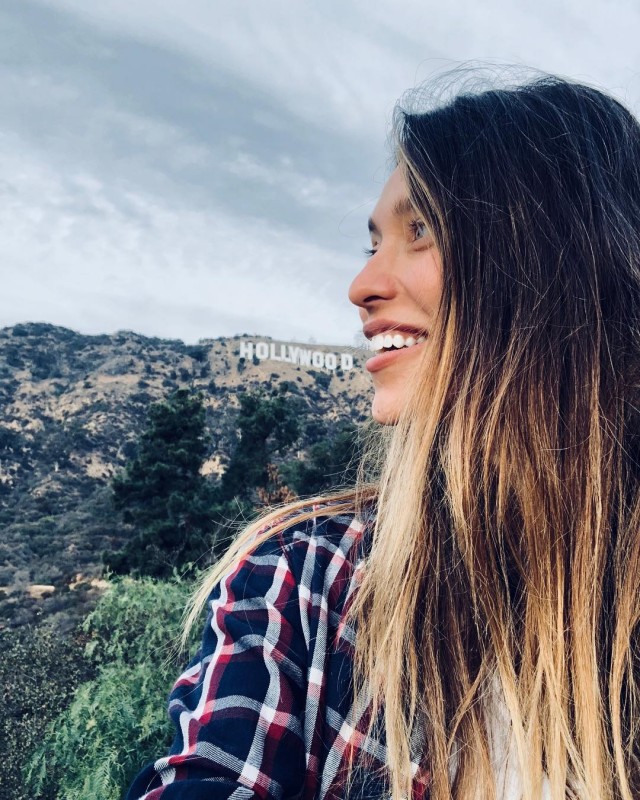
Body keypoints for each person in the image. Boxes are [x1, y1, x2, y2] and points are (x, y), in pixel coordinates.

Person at [126, 74, 640, 800]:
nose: (361, 285)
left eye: (419, 229)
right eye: (373, 243)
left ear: (552, 259)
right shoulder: (299, 580)